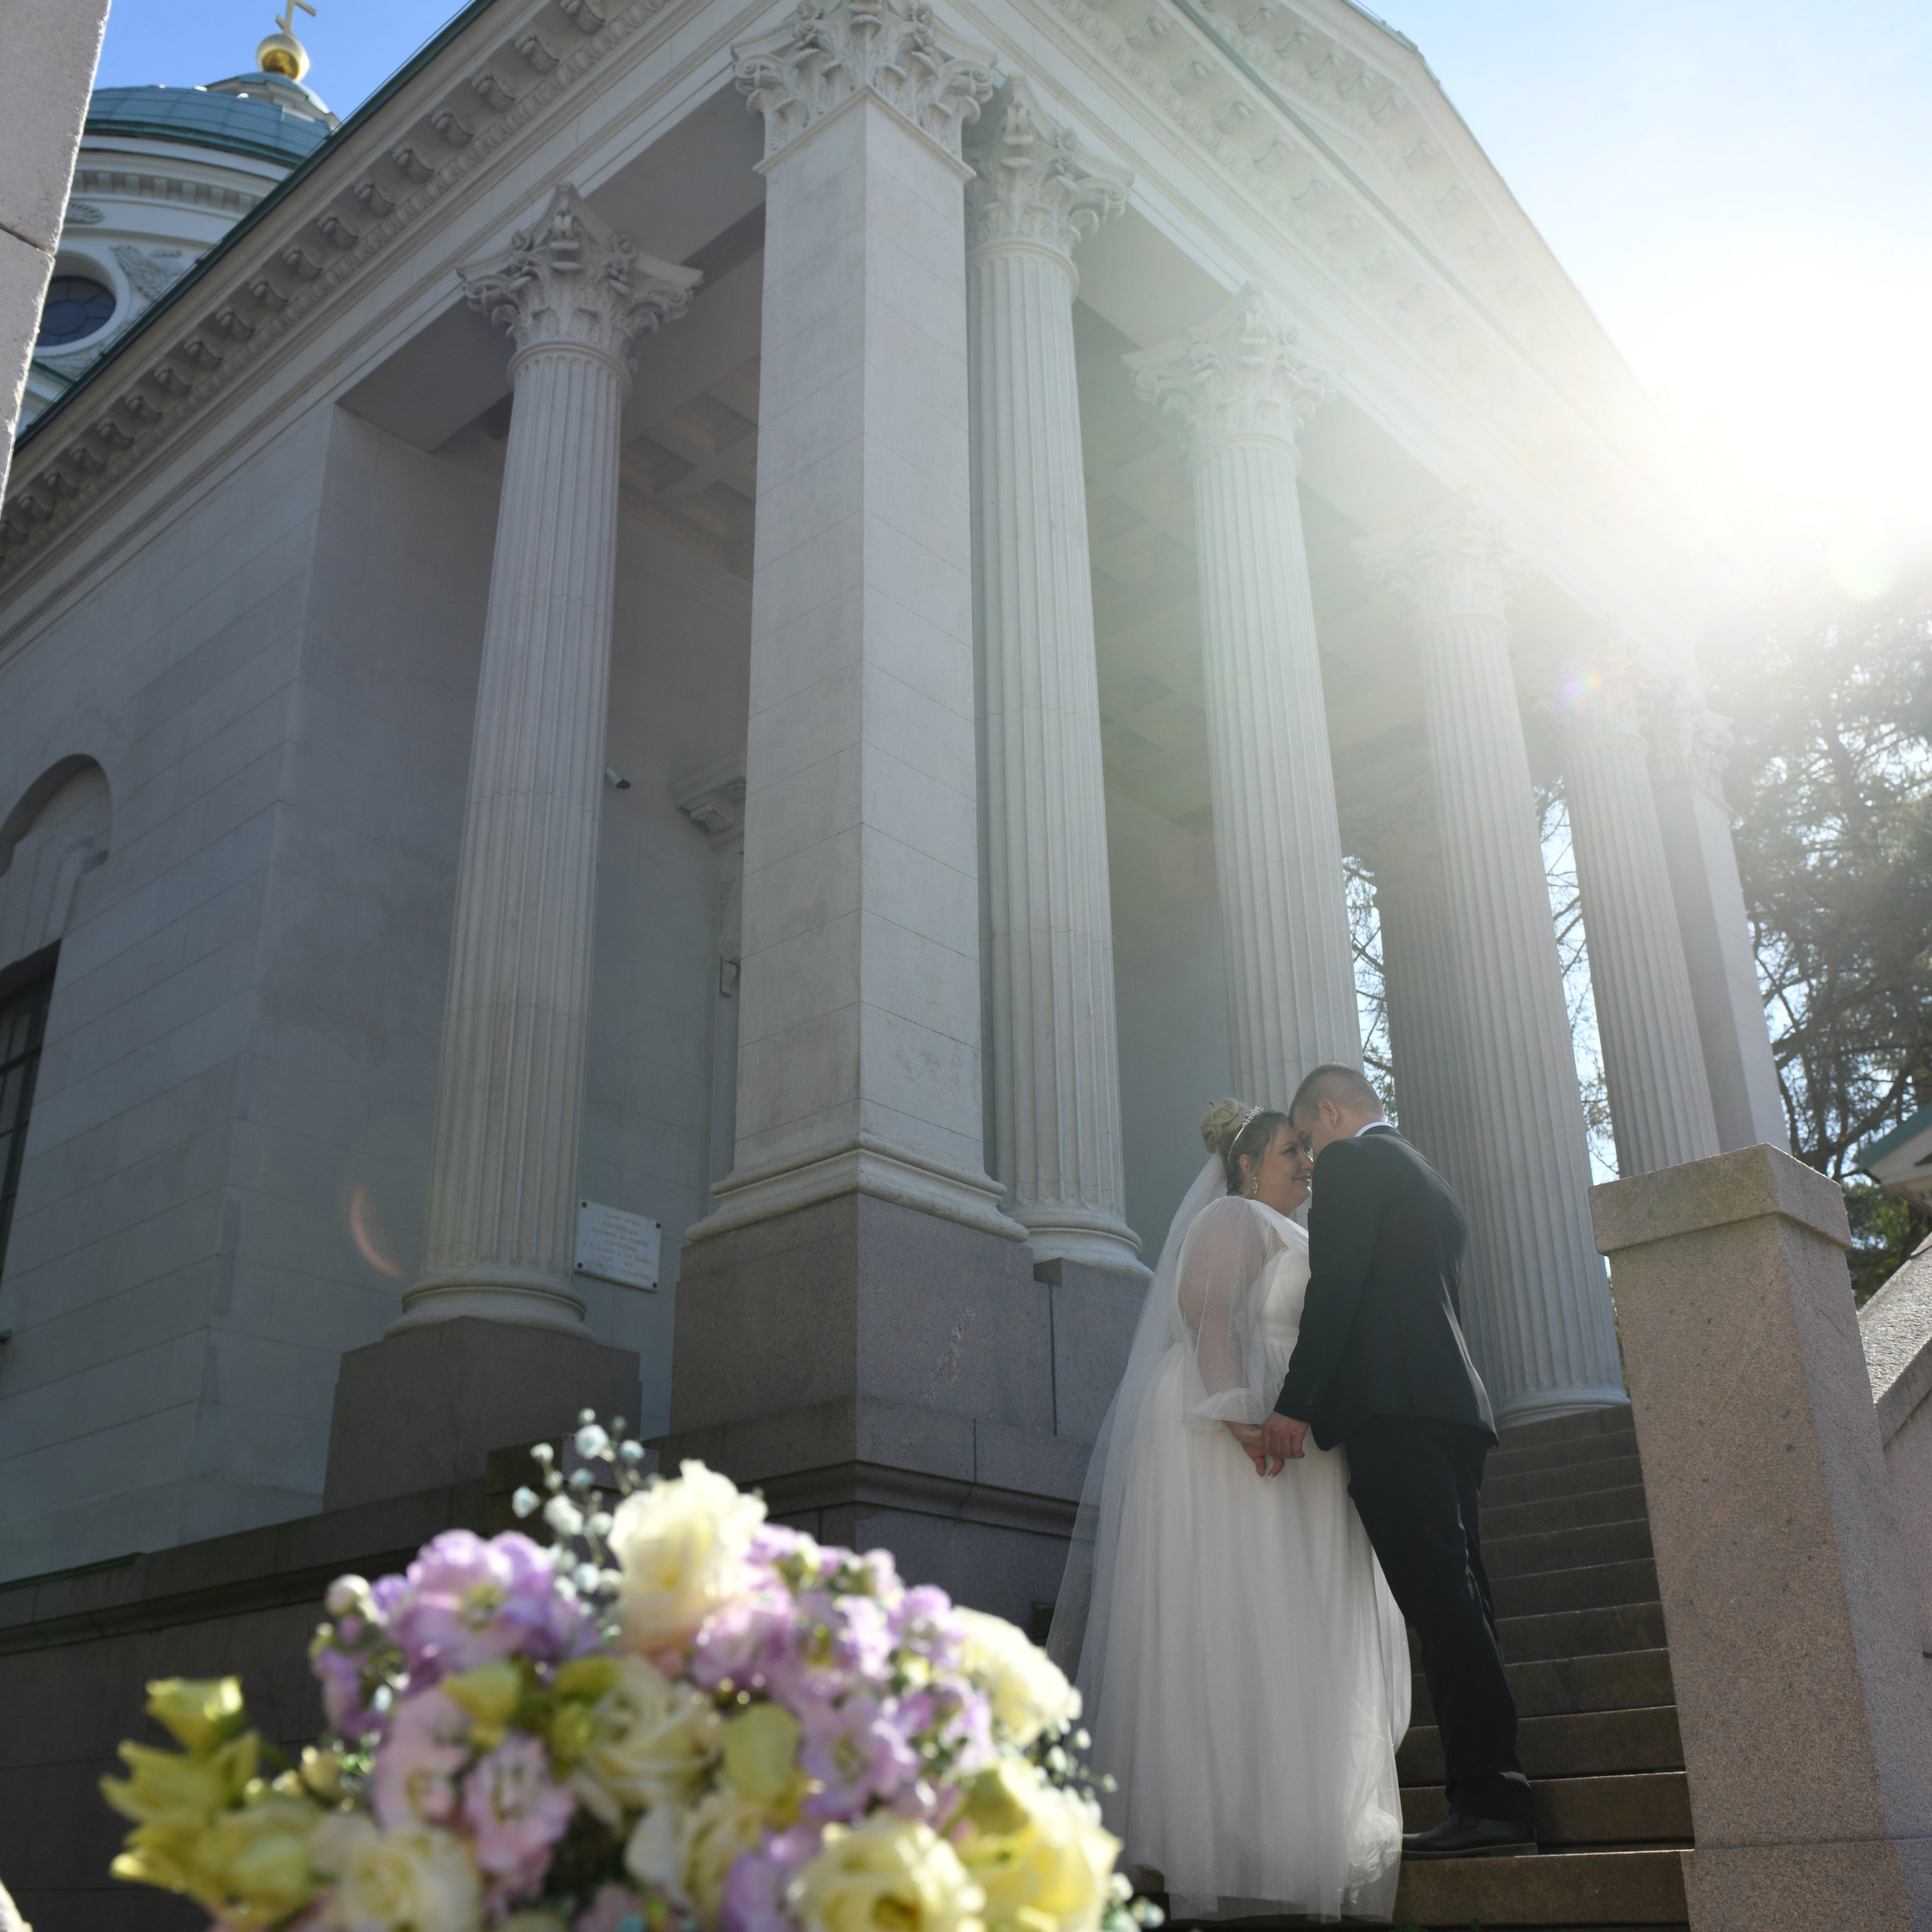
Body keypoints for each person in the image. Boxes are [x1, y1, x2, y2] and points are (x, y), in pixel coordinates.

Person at [1051, 1100, 1411, 1921]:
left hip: (1286, 1439)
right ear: (1248, 1162)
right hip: (1229, 1437)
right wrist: (1237, 1414)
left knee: (1289, 1625)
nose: (1304, 1165)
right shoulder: (1230, 1216)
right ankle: (1222, 1837)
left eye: (1302, 1152)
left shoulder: (1293, 1231)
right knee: (1232, 1618)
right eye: (1291, 1152)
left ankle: (1286, 1827)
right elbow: (1209, 1315)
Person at [1261, 1063, 1537, 1860]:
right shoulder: (1428, 1177)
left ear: (1331, 1110)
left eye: (1308, 1139)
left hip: (1393, 1410)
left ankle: (1488, 1797)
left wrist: (1295, 1400)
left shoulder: (1354, 1161)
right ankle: (1497, 1788)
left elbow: (1337, 1285)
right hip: (1452, 1408)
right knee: (1465, 1600)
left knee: (1441, 1603)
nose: (1310, 1165)